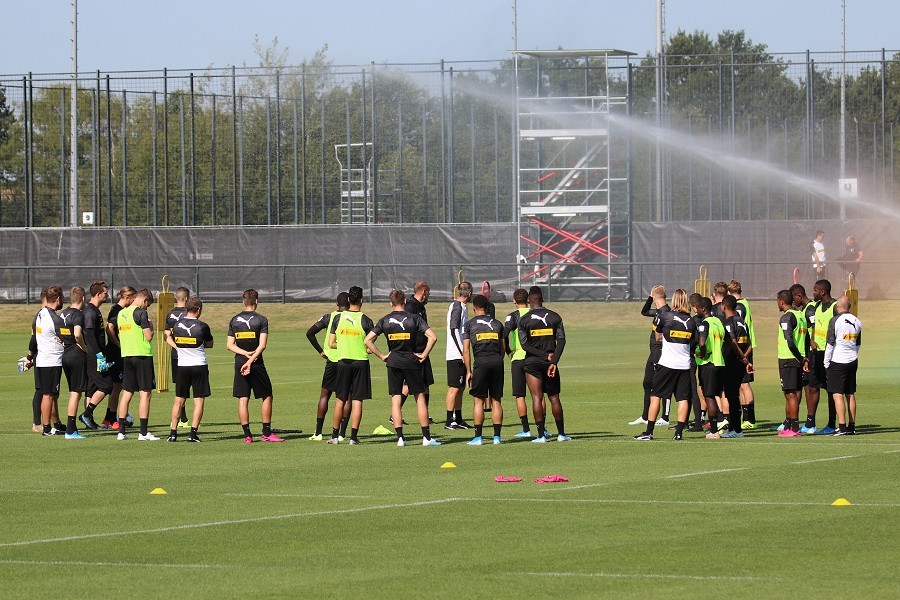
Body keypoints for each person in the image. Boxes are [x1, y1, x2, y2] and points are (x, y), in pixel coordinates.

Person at [364, 289, 440, 447]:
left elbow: (368, 340)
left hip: (393, 362)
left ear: (391, 303)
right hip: (412, 362)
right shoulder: (414, 318)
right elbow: (433, 337)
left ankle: (400, 439)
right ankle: (426, 438)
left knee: (396, 399)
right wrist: (424, 354)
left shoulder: (385, 320)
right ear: (405, 301)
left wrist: (382, 356)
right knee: (420, 398)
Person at [635, 289, 697, 441]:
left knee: (656, 395)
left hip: (667, 363)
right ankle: (678, 433)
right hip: (684, 365)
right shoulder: (691, 321)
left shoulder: (665, 316)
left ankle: (649, 432)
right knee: (682, 398)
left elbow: (657, 337)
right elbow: (693, 342)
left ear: (674, 300)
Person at [228, 289, 283, 443]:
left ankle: (247, 436)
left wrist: (244, 355)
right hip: (256, 362)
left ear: (243, 301)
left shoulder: (235, 320)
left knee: (243, 399)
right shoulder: (262, 320)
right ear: (257, 301)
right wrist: (250, 359)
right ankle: (266, 433)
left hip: (240, 362)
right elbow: (262, 345)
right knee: (267, 395)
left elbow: (229, 345)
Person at [518, 286, 571, 443]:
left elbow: (524, 344)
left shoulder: (524, 320)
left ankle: (541, 436)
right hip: (550, 363)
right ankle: (561, 434)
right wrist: (553, 360)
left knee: (536, 397)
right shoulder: (555, 317)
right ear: (542, 298)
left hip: (532, 363)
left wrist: (541, 355)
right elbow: (561, 340)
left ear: (529, 300)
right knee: (554, 398)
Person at [326, 286, 374, 445]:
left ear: (348, 300)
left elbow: (331, 343)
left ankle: (335, 436)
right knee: (357, 400)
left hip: (343, 362)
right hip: (360, 361)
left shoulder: (338, 318)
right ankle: (353, 437)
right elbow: (370, 345)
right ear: (362, 300)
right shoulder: (366, 320)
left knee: (340, 399)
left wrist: (344, 345)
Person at [166, 296, 214, 443]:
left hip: (182, 366)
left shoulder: (178, 325)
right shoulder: (202, 326)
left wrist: (178, 347)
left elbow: (168, 336)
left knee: (178, 400)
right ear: (198, 310)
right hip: (198, 365)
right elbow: (209, 344)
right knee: (198, 400)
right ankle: (193, 434)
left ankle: (173, 433)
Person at [306, 292, 351, 440]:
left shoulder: (328, 317)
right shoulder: (352, 317)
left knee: (325, 395)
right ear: (349, 303)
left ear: (337, 304)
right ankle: (342, 434)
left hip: (331, 361)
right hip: (347, 361)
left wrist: (320, 351)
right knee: (347, 397)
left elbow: (310, 333)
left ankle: (318, 433)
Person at [462, 294, 505, 445]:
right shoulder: (498, 324)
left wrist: (468, 371)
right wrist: (497, 360)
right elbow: (503, 348)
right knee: (496, 400)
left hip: (480, 363)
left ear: (474, 308)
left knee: (479, 401)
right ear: (487, 308)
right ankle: (497, 437)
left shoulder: (469, 325)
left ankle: (478, 437)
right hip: (497, 362)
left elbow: (466, 350)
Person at [116, 288, 158, 441]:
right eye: (147, 305)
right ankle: (144, 432)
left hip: (127, 355)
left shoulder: (121, 313)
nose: (146, 308)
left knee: (126, 393)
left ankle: (121, 431)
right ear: (144, 300)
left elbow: (120, 334)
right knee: (145, 394)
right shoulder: (141, 313)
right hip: (142, 355)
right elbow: (148, 337)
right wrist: (151, 327)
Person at [824, 296, 862, 435]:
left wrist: (826, 362)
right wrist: (853, 355)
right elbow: (858, 344)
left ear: (838, 306)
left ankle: (842, 426)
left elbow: (830, 343)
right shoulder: (857, 321)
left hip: (838, 361)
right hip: (852, 360)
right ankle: (852, 426)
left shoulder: (835, 320)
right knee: (850, 393)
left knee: (837, 394)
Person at [79, 281, 114, 431]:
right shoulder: (90, 312)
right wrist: (99, 355)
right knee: (107, 385)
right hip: (94, 356)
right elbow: (90, 336)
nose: (108, 295)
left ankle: (89, 422)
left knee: (92, 388)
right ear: (98, 294)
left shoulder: (95, 310)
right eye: (105, 293)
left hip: (96, 354)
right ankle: (86, 414)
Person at [804, 279, 838, 435]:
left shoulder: (835, 307)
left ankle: (832, 424)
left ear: (823, 292)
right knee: (812, 387)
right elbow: (814, 327)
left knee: (831, 390)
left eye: (815, 290)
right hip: (816, 354)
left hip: (830, 354)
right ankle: (810, 423)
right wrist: (812, 340)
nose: (813, 292)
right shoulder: (816, 306)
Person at [32, 285, 66, 436]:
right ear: (58, 299)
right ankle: (46, 428)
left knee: (49, 394)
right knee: (49, 395)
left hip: (42, 359)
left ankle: (53, 425)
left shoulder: (41, 314)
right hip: (52, 360)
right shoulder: (55, 319)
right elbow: (68, 337)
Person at [775, 289, 809, 437]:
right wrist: (805, 357)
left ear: (782, 301)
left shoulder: (786, 318)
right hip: (798, 358)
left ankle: (794, 428)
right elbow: (807, 338)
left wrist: (800, 359)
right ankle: (788, 426)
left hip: (789, 359)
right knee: (791, 393)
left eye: (778, 301)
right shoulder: (800, 315)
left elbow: (789, 341)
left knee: (790, 394)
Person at [503, 288, 536, 437]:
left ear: (514, 301)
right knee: (538, 394)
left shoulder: (512, 316)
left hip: (518, 358)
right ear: (528, 300)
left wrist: (508, 350)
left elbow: (503, 335)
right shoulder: (535, 314)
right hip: (535, 357)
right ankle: (543, 428)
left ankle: (526, 429)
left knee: (520, 395)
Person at [719, 295, 753, 438]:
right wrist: (745, 357)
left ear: (724, 306)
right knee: (734, 395)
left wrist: (741, 357)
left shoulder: (729, 323)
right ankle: (735, 428)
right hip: (739, 364)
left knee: (732, 396)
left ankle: (736, 430)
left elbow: (732, 343)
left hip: (732, 363)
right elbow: (750, 344)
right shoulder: (742, 322)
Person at [103, 286, 136, 430]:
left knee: (118, 386)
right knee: (117, 386)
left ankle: (108, 418)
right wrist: (119, 345)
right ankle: (110, 418)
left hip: (118, 352)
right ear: (127, 298)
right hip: (115, 353)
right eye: (133, 298)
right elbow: (109, 329)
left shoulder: (119, 310)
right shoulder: (117, 310)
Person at [403, 281, 435, 424]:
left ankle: (425, 414)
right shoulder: (410, 306)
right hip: (415, 352)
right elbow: (407, 327)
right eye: (428, 292)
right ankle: (394, 414)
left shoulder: (420, 306)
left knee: (426, 383)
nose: (429, 295)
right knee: (408, 385)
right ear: (423, 291)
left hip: (424, 350)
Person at [59, 287, 89, 439]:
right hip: (77, 356)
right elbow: (77, 334)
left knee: (73, 392)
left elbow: (59, 334)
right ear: (83, 298)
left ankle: (71, 429)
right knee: (76, 393)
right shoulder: (78, 315)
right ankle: (71, 430)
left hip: (65, 356)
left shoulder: (63, 313)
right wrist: (84, 348)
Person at [694, 297, 725, 439]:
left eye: (698, 308)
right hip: (720, 362)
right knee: (716, 394)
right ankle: (719, 424)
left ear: (704, 309)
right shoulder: (718, 321)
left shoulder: (704, 324)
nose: (696, 310)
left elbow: (701, 343)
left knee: (709, 396)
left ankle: (713, 430)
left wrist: (704, 353)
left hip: (708, 363)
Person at [728, 280, 757, 429]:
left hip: (744, 348)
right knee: (741, 384)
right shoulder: (745, 303)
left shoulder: (739, 306)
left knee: (744, 384)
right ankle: (747, 418)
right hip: (746, 346)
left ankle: (749, 419)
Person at [444, 281, 473, 430]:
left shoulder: (461, 306)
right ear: (470, 293)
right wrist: (462, 352)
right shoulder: (457, 307)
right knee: (454, 388)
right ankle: (449, 421)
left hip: (460, 353)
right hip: (456, 354)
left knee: (460, 387)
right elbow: (453, 330)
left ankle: (459, 418)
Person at [164, 286, 192, 429]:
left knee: (180, 386)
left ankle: (182, 418)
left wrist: (176, 347)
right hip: (190, 355)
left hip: (176, 355)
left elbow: (166, 336)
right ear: (187, 298)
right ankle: (181, 418)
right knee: (187, 388)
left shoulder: (170, 314)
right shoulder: (189, 313)